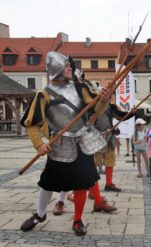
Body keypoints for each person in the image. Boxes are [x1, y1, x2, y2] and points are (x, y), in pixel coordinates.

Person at [20, 51, 111, 236]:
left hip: (83, 142)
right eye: (68, 66)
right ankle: (39, 214)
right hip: (59, 144)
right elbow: (31, 124)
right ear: (58, 70)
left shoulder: (81, 88)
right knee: (47, 183)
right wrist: (39, 144)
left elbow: (97, 110)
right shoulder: (44, 95)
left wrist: (104, 99)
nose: (71, 68)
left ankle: (77, 220)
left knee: (82, 184)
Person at [94, 103, 134, 192]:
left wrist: (131, 113)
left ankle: (108, 184)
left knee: (110, 162)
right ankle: (92, 186)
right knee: (94, 164)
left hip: (109, 138)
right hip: (96, 138)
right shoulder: (93, 104)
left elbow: (120, 116)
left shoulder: (111, 106)